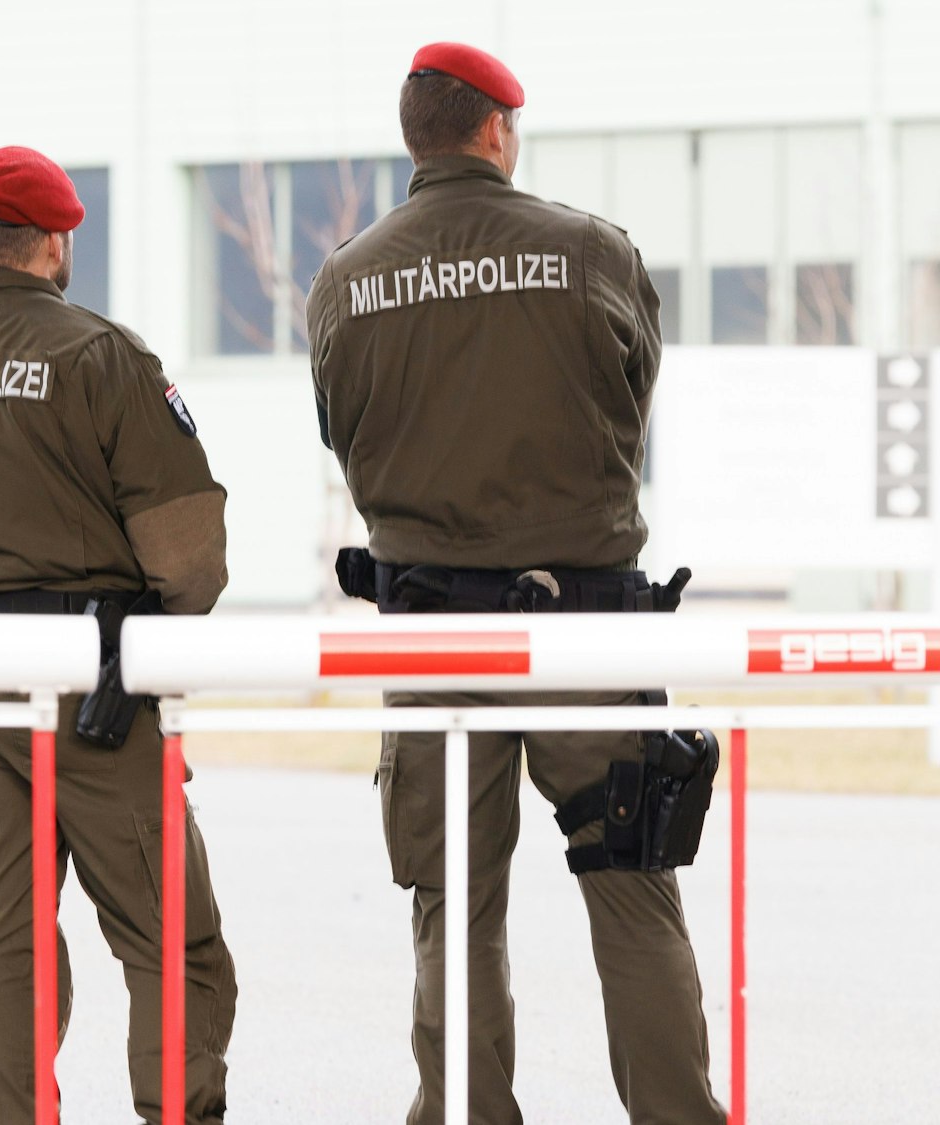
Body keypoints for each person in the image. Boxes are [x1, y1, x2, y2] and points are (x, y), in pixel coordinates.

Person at [306, 43, 727, 1125]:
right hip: (584, 633)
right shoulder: (588, 251)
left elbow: (338, 431)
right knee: (631, 890)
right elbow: (632, 397)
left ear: (417, 137)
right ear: (496, 129)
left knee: (452, 909)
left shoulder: (347, 280)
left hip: (431, 638)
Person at [0, 145, 238, 1125]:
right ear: (58, 242)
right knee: (171, 947)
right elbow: (188, 559)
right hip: (92, 700)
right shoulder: (101, 359)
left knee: (8, 949)